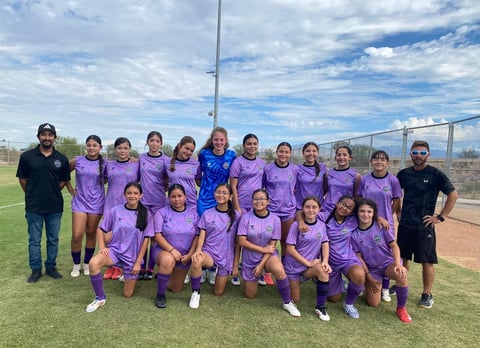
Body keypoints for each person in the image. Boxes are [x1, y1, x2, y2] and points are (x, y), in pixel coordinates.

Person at [396, 140, 458, 309]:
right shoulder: (404, 174)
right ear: (410, 154)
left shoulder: (435, 174)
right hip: (406, 224)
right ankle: (402, 284)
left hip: (424, 227)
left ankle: (427, 294)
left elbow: (453, 195)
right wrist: (398, 211)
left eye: (422, 153)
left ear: (428, 155)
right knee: (403, 258)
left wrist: (440, 217)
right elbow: (395, 194)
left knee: (427, 261)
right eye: (415, 152)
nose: (418, 156)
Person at [85, 182, 153, 312]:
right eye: (129, 193)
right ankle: (100, 298)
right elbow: (101, 229)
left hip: (132, 258)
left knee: (128, 294)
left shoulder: (146, 214)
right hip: (115, 252)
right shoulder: (116, 210)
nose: (132, 196)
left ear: (141, 195)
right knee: (93, 263)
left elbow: (146, 240)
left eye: (135, 193)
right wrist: (102, 246)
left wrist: (138, 263)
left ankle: (126, 275)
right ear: (124, 195)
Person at [16, 123, 71, 283]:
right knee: (34, 239)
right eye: (44, 134)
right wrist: (32, 194)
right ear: (38, 136)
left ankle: (51, 267)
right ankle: (36, 269)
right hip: (34, 207)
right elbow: (22, 179)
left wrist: (51, 192)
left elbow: (63, 181)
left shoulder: (61, 158)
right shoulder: (27, 157)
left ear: (54, 137)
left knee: (53, 239)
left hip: (54, 207)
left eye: (50, 135)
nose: (47, 138)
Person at [237, 188, 301, 317]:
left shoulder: (275, 219)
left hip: (268, 256)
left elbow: (271, 247)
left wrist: (261, 265)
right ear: (252, 201)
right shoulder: (245, 218)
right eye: (256, 199)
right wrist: (261, 249)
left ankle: (287, 302)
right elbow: (242, 241)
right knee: (250, 295)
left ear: (268, 202)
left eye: (262, 199)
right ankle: (255, 276)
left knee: (279, 269)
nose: (258, 201)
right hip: (250, 257)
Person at [351, 198, 412, 323]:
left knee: (401, 274)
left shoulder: (381, 226)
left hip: (388, 264)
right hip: (373, 269)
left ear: (374, 213)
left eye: (369, 211)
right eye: (362, 211)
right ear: (357, 212)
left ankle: (401, 308)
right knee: (373, 303)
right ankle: (371, 284)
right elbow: (359, 257)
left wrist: (397, 264)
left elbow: (394, 246)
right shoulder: (354, 233)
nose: (365, 214)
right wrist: (368, 277)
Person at [356, 150, 402, 302]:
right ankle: (364, 283)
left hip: (385, 224)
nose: (379, 162)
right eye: (376, 159)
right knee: (366, 250)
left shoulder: (393, 180)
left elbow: (396, 202)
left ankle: (386, 288)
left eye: (383, 159)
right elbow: (359, 200)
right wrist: (376, 217)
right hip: (366, 219)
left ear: (387, 163)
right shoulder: (364, 180)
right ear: (371, 162)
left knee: (386, 253)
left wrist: (387, 217)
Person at [189, 183, 240, 309]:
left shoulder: (237, 216)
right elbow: (202, 235)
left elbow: (238, 243)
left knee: (218, 292)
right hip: (210, 253)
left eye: (224, 193)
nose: (220, 195)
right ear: (214, 194)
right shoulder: (207, 213)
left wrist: (235, 265)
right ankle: (196, 292)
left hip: (226, 256)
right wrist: (198, 250)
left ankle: (218, 273)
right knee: (196, 261)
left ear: (230, 196)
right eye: (218, 192)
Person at [196, 127, 236, 284]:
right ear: (212, 140)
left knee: (219, 233)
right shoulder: (204, 154)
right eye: (216, 139)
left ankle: (214, 268)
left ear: (226, 141)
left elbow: (234, 177)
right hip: (205, 200)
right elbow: (198, 176)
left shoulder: (231, 155)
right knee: (204, 233)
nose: (219, 142)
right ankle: (204, 266)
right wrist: (207, 188)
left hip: (222, 198)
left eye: (222, 139)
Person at [284, 196, 332, 321]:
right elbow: (290, 248)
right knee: (296, 299)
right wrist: (307, 262)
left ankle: (320, 307)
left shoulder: (321, 225)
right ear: (303, 209)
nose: (311, 210)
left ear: (319, 209)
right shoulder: (296, 225)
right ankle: (293, 281)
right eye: (308, 207)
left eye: (314, 207)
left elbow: (325, 243)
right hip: (293, 267)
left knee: (323, 271)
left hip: (308, 268)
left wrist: (325, 261)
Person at [152, 184, 199, 308]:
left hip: (184, 256)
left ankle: (163, 275)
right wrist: (172, 250)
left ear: (185, 197)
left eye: (179, 196)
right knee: (168, 260)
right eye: (173, 196)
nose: (177, 199)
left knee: (175, 288)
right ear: (169, 198)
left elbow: (197, 236)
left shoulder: (193, 214)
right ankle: (160, 295)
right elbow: (157, 235)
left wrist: (189, 255)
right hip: (164, 251)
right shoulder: (162, 213)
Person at [229, 133, 267, 286]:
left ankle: (259, 269)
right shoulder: (238, 162)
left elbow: (263, 185)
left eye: (255, 143)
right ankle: (235, 269)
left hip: (256, 206)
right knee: (239, 239)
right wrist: (238, 208)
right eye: (249, 143)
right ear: (244, 145)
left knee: (257, 238)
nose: (252, 146)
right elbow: (233, 186)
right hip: (241, 206)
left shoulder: (262, 163)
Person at [68, 135, 106, 277]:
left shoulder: (105, 163)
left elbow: (114, 173)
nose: (91, 148)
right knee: (77, 234)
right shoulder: (78, 161)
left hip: (97, 203)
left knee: (91, 233)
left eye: (94, 145)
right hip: (80, 202)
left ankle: (87, 264)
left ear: (100, 147)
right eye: (89, 145)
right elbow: (63, 173)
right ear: (86, 146)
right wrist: (70, 189)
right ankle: (76, 265)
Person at [103, 137, 140, 281]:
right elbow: (102, 179)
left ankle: (122, 267)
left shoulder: (136, 165)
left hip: (128, 207)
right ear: (115, 150)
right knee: (108, 237)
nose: (122, 151)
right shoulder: (109, 165)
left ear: (129, 149)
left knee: (126, 237)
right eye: (119, 148)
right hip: (110, 204)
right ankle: (111, 266)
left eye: (125, 148)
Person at [139, 131, 169, 280]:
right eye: (152, 140)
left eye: (157, 141)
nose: (154, 143)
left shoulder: (166, 160)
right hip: (143, 203)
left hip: (159, 203)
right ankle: (141, 266)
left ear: (161, 143)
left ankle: (150, 268)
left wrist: (162, 189)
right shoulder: (141, 158)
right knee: (143, 234)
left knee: (155, 237)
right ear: (147, 142)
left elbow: (169, 180)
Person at [263, 142, 298, 259]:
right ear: (277, 152)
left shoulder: (295, 169)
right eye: (281, 151)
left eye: (286, 152)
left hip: (288, 211)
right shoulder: (267, 168)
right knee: (267, 241)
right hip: (271, 210)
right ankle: (266, 267)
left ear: (290, 153)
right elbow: (262, 188)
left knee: (285, 241)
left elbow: (297, 187)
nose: (283, 154)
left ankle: (284, 265)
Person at [323, 144, 361, 213]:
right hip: (327, 210)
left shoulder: (356, 175)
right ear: (335, 157)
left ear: (350, 157)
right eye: (339, 155)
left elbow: (356, 197)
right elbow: (324, 191)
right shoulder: (328, 173)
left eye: (345, 155)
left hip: (344, 211)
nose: (341, 157)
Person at [167, 136, 201, 210]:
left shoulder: (196, 164)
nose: (189, 152)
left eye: (192, 150)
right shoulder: (167, 162)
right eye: (187, 148)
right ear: (179, 146)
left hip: (191, 203)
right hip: (174, 203)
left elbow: (199, 183)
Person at [294, 142, 327, 209]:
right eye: (308, 151)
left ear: (317, 153)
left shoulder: (323, 168)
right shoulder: (297, 168)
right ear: (303, 153)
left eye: (314, 151)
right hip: (300, 207)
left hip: (317, 208)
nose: (311, 153)